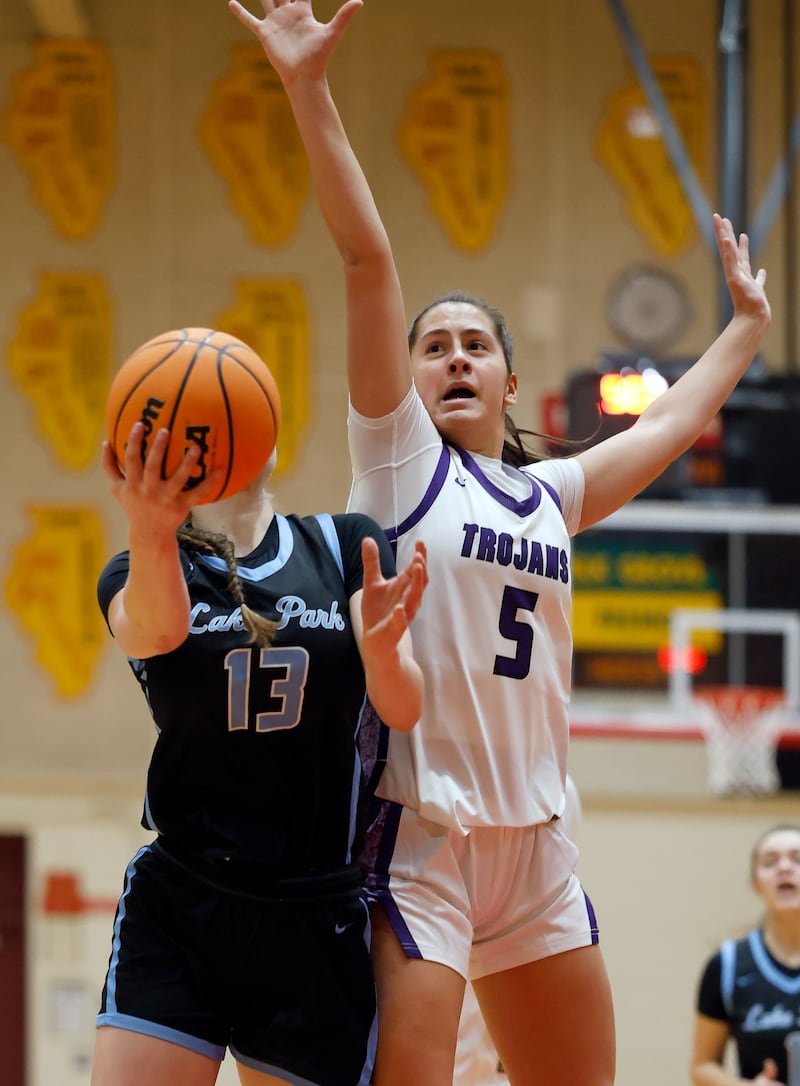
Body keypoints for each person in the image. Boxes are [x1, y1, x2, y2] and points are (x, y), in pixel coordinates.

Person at [229, 5, 771, 1084]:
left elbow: (663, 429)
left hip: (535, 842)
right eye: (434, 348)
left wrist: (745, 330)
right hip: (421, 831)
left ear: (510, 382)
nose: (453, 359)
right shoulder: (396, 462)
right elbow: (365, 257)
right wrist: (306, 88)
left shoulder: (551, 496)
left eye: (476, 346)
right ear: (411, 378)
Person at [90, 411, 427, 1086]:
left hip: (313, 911)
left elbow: (403, 707)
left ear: (268, 436)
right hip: (185, 897)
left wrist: (387, 654)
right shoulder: (140, 567)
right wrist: (152, 526)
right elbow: (152, 631)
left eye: (229, 416)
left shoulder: (342, 544)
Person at [690, 825, 800, 1086]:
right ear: (756, 884)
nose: (784, 868)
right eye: (770, 862)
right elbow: (702, 1066)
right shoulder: (727, 965)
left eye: (797, 859)